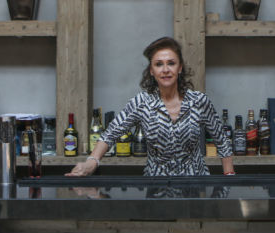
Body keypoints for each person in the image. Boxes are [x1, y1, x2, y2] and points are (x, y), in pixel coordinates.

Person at [66, 36, 234, 177]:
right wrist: (91, 162)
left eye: (171, 63)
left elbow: (222, 141)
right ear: (152, 71)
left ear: (180, 67)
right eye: (159, 64)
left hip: (195, 185)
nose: (165, 69)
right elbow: (110, 134)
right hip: (156, 185)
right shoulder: (141, 102)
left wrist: (229, 181)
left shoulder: (199, 101)